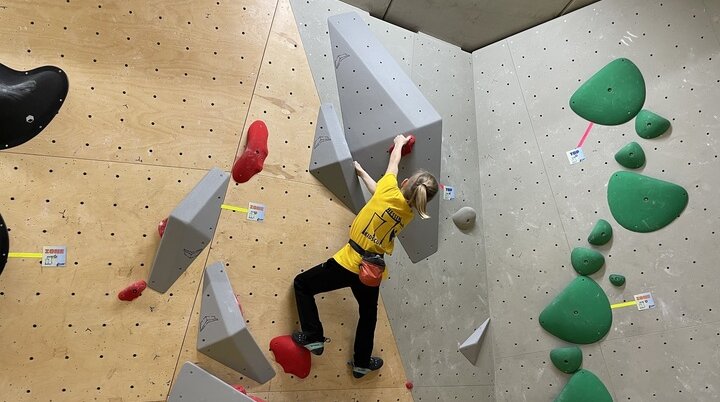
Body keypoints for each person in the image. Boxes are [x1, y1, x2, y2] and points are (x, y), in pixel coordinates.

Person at [292, 134, 439, 378]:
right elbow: (377, 192)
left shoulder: (388, 190)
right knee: (368, 316)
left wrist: (400, 143)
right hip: (371, 272)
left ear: (404, 183)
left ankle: (313, 336)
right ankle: (361, 364)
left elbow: (393, 163)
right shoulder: (408, 213)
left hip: (348, 263)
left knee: (302, 284)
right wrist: (361, 173)